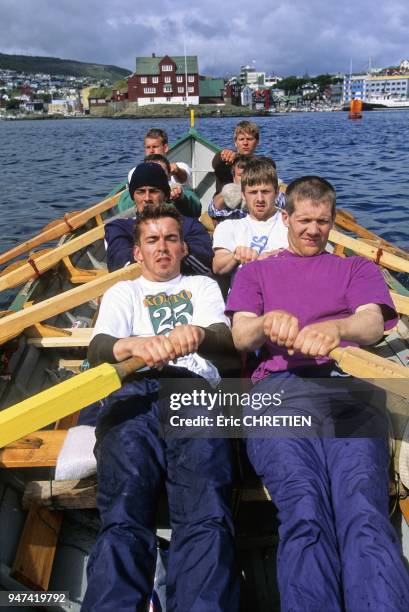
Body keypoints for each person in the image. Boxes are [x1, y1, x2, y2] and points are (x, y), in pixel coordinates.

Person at [226, 176, 409, 611]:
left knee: (362, 510)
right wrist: (267, 323)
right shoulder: (255, 273)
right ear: (285, 217)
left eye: (323, 222)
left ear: (332, 223)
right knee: (305, 508)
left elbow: (370, 321)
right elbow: (239, 336)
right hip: (278, 391)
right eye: (304, 219)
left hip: (348, 386)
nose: (313, 230)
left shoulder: (355, 268)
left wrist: (337, 328)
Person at [82, 204, 240, 611]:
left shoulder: (203, 288)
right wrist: (132, 345)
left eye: (171, 239)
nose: (162, 247)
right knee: (124, 510)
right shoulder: (123, 292)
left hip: (191, 392)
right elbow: (99, 350)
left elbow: (225, 342)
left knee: (206, 511)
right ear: (137, 252)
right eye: (152, 240)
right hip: (133, 394)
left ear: (184, 247)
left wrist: (198, 334)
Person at [105, 162, 213, 275]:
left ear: (166, 195)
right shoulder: (117, 227)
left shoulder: (189, 225)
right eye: (140, 192)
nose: (147, 198)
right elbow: (117, 263)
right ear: (133, 196)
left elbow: (207, 263)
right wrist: (173, 249)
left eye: (153, 191)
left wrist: (187, 249)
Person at [212, 158, 288, 277]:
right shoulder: (228, 227)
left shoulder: (291, 225)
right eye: (253, 192)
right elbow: (217, 267)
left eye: (266, 192)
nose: (260, 199)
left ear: (277, 192)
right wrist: (236, 256)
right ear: (243, 194)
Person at [208, 155, 286, 221]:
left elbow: (287, 203)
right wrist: (225, 194)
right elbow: (213, 211)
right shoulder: (229, 194)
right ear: (233, 175)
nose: (244, 179)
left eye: (248, 174)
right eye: (240, 175)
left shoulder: (272, 194)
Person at [212, 121, 259, 193]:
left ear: (257, 142)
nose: (245, 143)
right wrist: (223, 155)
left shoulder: (262, 164)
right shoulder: (227, 161)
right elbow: (216, 162)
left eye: (249, 139)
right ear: (235, 142)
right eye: (241, 139)